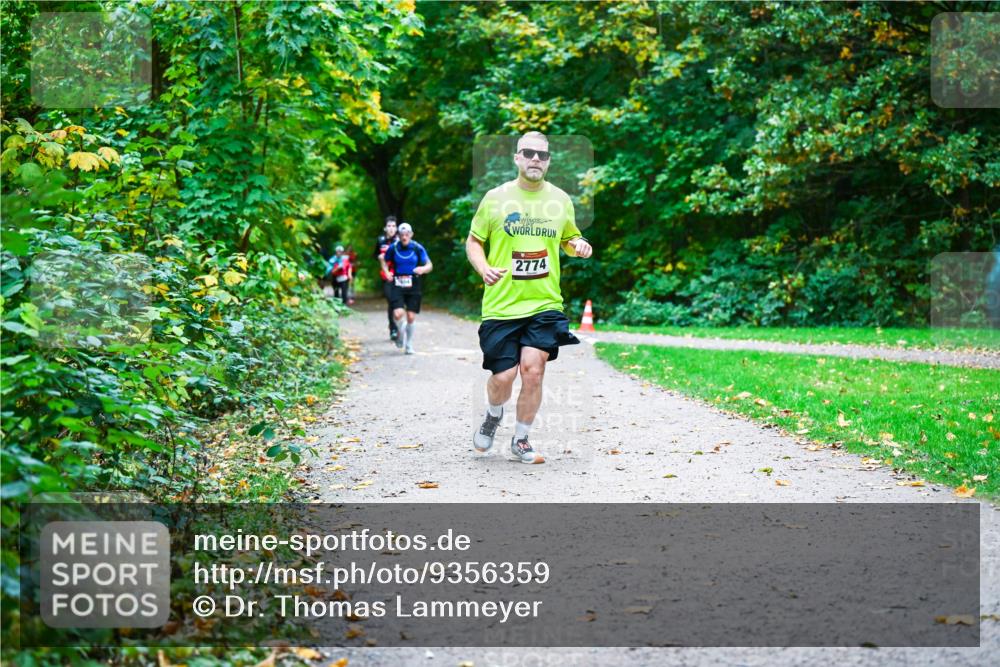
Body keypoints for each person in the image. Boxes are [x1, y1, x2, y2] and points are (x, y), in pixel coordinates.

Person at [465, 131, 593, 464]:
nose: (536, 159)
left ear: (549, 161)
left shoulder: (561, 200)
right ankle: (494, 416)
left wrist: (578, 245)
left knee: (533, 371)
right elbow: (474, 242)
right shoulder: (495, 198)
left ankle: (521, 439)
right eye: (529, 153)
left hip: (545, 303)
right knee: (503, 377)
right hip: (502, 304)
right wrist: (483, 269)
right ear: (517, 158)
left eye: (543, 155)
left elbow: (569, 238)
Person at [381, 222, 432, 355]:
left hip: (413, 283)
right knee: (397, 314)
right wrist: (387, 272)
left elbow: (429, 265)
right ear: (398, 235)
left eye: (407, 234)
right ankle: (400, 331)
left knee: (410, 316)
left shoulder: (417, 247)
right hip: (398, 282)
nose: (404, 237)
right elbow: (383, 260)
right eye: (402, 234)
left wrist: (423, 269)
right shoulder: (393, 247)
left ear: (411, 235)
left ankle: (408, 345)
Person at [374, 216, 399, 342]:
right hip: (386, 276)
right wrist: (380, 257)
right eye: (389, 226)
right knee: (391, 301)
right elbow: (375, 256)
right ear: (385, 228)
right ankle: (393, 328)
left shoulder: (401, 240)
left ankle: (396, 326)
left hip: (400, 275)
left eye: (393, 226)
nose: (391, 228)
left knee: (398, 302)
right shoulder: (380, 240)